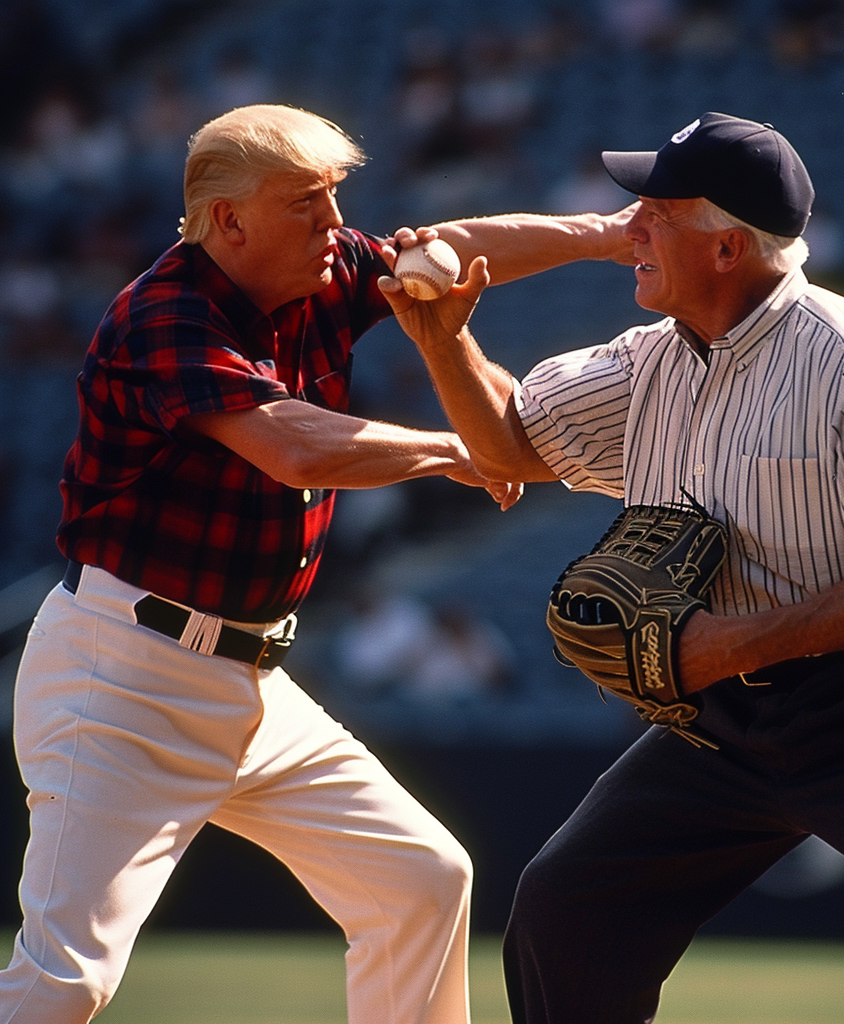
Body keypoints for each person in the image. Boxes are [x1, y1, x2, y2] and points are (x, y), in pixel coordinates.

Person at [379, 111, 844, 1024]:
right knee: (566, 910)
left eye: (658, 214)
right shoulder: (651, 361)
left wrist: (724, 647)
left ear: (727, 249)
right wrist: (443, 341)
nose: (630, 230)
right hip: (729, 717)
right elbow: (513, 445)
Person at [0, 103, 633, 1024]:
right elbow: (293, 446)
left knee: (420, 880)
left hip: (250, 682)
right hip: (122, 685)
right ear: (228, 220)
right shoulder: (163, 313)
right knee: (67, 981)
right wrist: (458, 449)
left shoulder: (315, 276)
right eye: (308, 202)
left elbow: (459, 242)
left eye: (335, 197)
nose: (336, 226)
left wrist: (609, 235)